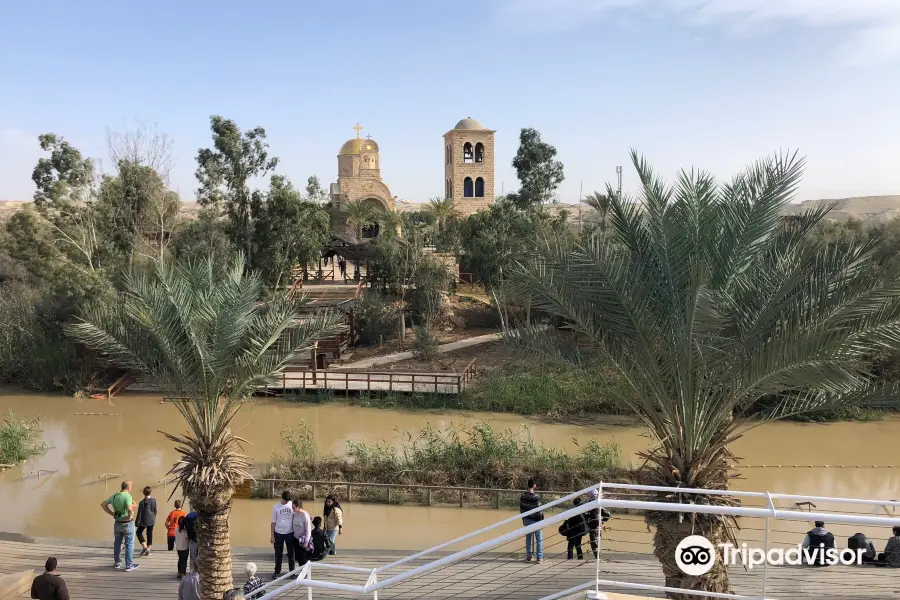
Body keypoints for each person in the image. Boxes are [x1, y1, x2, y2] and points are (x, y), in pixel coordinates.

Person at [100, 479, 139, 572]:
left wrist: (112, 513)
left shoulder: (114, 496)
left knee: (117, 543)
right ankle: (129, 565)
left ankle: (117, 562)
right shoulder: (128, 496)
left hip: (117, 523)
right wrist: (129, 516)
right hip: (127, 524)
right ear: (129, 488)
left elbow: (103, 504)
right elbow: (130, 508)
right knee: (129, 544)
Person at [271, 491, 296, 578]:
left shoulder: (292, 505)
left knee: (291, 554)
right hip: (278, 533)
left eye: (288, 501)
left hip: (290, 533)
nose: (286, 502)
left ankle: (292, 572)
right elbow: (273, 522)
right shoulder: (275, 507)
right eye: (285, 501)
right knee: (278, 554)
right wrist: (272, 536)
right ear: (281, 498)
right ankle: (277, 572)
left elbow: (299, 513)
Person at [519, 478, 544, 563]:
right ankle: (539, 558)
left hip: (527, 520)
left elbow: (521, 509)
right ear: (534, 486)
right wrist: (542, 520)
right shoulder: (536, 497)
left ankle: (529, 556)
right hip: (536, 521)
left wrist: (523, 519)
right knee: (539, 539)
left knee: (528, 539)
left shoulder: (523, 496)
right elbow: (540, 510)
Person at [585, 489, 612, 559]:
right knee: (597, 544)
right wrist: (601, 521)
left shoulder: (591, 505)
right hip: (598, 528)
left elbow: (592, 517)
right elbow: (608, 514)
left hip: (594, 528)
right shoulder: (598, 504)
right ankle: (598, 559)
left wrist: (597, 521)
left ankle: (597, 560)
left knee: (594, 544)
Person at [135, 485, 157, 557]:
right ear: (150, 492)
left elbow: (140, 513)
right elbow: (155, 510)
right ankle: (149, 549)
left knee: (138, 532)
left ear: (143, 493)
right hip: (151, 519)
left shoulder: (142, 502)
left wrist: (137, 521)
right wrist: (153, 517)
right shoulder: (154, 500)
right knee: (149, 533)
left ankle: (145, 547)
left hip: (144, 520)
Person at [292, 499, 312, 567]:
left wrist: (306, 541)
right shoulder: (294, 514)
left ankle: (305, 573)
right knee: (298, 557)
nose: (292, 509)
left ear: (298, 507)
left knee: (303, 557)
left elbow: (308, 530)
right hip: (295, 538)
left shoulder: (305, 515)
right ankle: (301, 571)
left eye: (293, 507)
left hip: (302, 540)